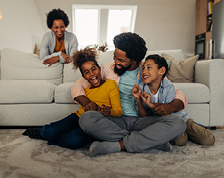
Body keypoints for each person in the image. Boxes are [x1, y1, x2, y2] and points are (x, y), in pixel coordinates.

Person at [72, 32, 187, 157]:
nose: (115, 62)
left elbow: (178, 94)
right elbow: (78, 85)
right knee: (86, 119)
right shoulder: (107, 69)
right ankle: (152, 142)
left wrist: (170, 107)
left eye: (121, 60)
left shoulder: (147, 71)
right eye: (114, 56)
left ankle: (118, 145)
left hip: (142, 121)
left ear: (135, 60)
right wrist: (86, 102)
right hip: (115, 120)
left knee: (178, 123)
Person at [23, 47, 123, 149]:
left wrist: (109, 111)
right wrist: (87, 103)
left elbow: (118, 111)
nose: (92, 74)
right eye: (87, 72)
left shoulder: (110, 84)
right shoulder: (86, 90)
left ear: (99, 69)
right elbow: (77, 88)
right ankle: (43, 132)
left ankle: (52, 137)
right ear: (84, 77)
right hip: (78, 117)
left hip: (94, 125)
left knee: (73, 141)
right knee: (50, 131)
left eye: (94, 69)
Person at [132, 54, 215, 146]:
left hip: (179, 118)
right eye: (143, 68)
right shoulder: (140, 88)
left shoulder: (168, 86)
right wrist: (139, 100)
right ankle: (184, 134)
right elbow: (144, 117)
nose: (144, 71)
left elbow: (167, 112)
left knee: (209, 140)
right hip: (164, 124)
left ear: (161, 71)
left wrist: (150, 105)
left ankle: (191, 128)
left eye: (149, 67)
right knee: (180, 141)